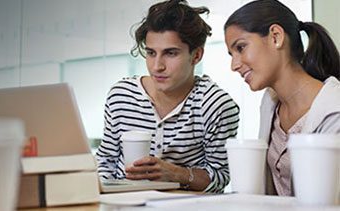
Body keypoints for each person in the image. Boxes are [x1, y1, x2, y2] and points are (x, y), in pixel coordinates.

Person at [95, 0, 240, 193]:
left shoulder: (215, 105)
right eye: (151, 53)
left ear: (196, 56)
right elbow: (106, 161)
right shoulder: (121, 95)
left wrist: (176, 174)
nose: (157, 66)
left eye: (170, 53)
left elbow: (221, 177)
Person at [224, 0, 340, 196]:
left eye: (241, 48)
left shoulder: (334, 110)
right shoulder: (270, 103)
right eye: (231, 54)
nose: (234, 65)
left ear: (275, 37)